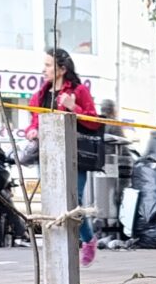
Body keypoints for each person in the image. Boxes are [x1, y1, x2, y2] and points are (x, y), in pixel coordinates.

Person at [27, 49, 101, 264]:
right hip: (48, 154)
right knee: (51, 200)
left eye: (49, 65)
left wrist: (73, 107)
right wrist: (32, 131)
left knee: (72, 200)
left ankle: (87, 239)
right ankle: (61, 246)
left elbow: (94, 122)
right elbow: (34, 121)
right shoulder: (40, 95)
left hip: (75, 155)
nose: (44, 70)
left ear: (62, 69)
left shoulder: (79, 90)